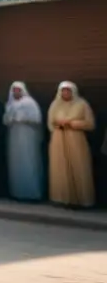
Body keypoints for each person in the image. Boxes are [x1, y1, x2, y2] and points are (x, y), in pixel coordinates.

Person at [47, 81, 96, 209]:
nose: (66, 93)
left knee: (79, 167)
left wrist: (73, 124)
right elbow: (50, 123)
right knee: (60, 169)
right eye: (63, 90)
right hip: (58, 141)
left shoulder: (82, 104)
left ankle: (82, 200)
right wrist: (60, 125)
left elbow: (90, 124)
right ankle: (62, 199)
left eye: (68, 90)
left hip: (76, 140)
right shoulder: (55, 104)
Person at [4, 81, 44, 202]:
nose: (16, 92)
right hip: (14, 137)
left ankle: (32, 194)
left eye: (18, 90)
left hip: (28, 137)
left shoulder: (30, 103)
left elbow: (36, 119)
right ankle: (17, 193)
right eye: (14, 90)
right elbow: (5, 120)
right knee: (16, 164)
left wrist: (23, 119)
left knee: (29, 162)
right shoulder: (10, 104)